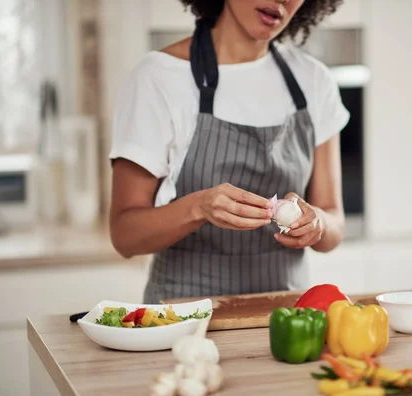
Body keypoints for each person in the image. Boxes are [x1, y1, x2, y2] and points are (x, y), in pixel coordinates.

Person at [108, 0, 349, 303]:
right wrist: (199, 207)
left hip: (287, 317)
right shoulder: (158, 78)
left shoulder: (314, 80)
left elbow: (334, 223)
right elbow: (124, 236)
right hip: (183, 320)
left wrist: (319, 224)